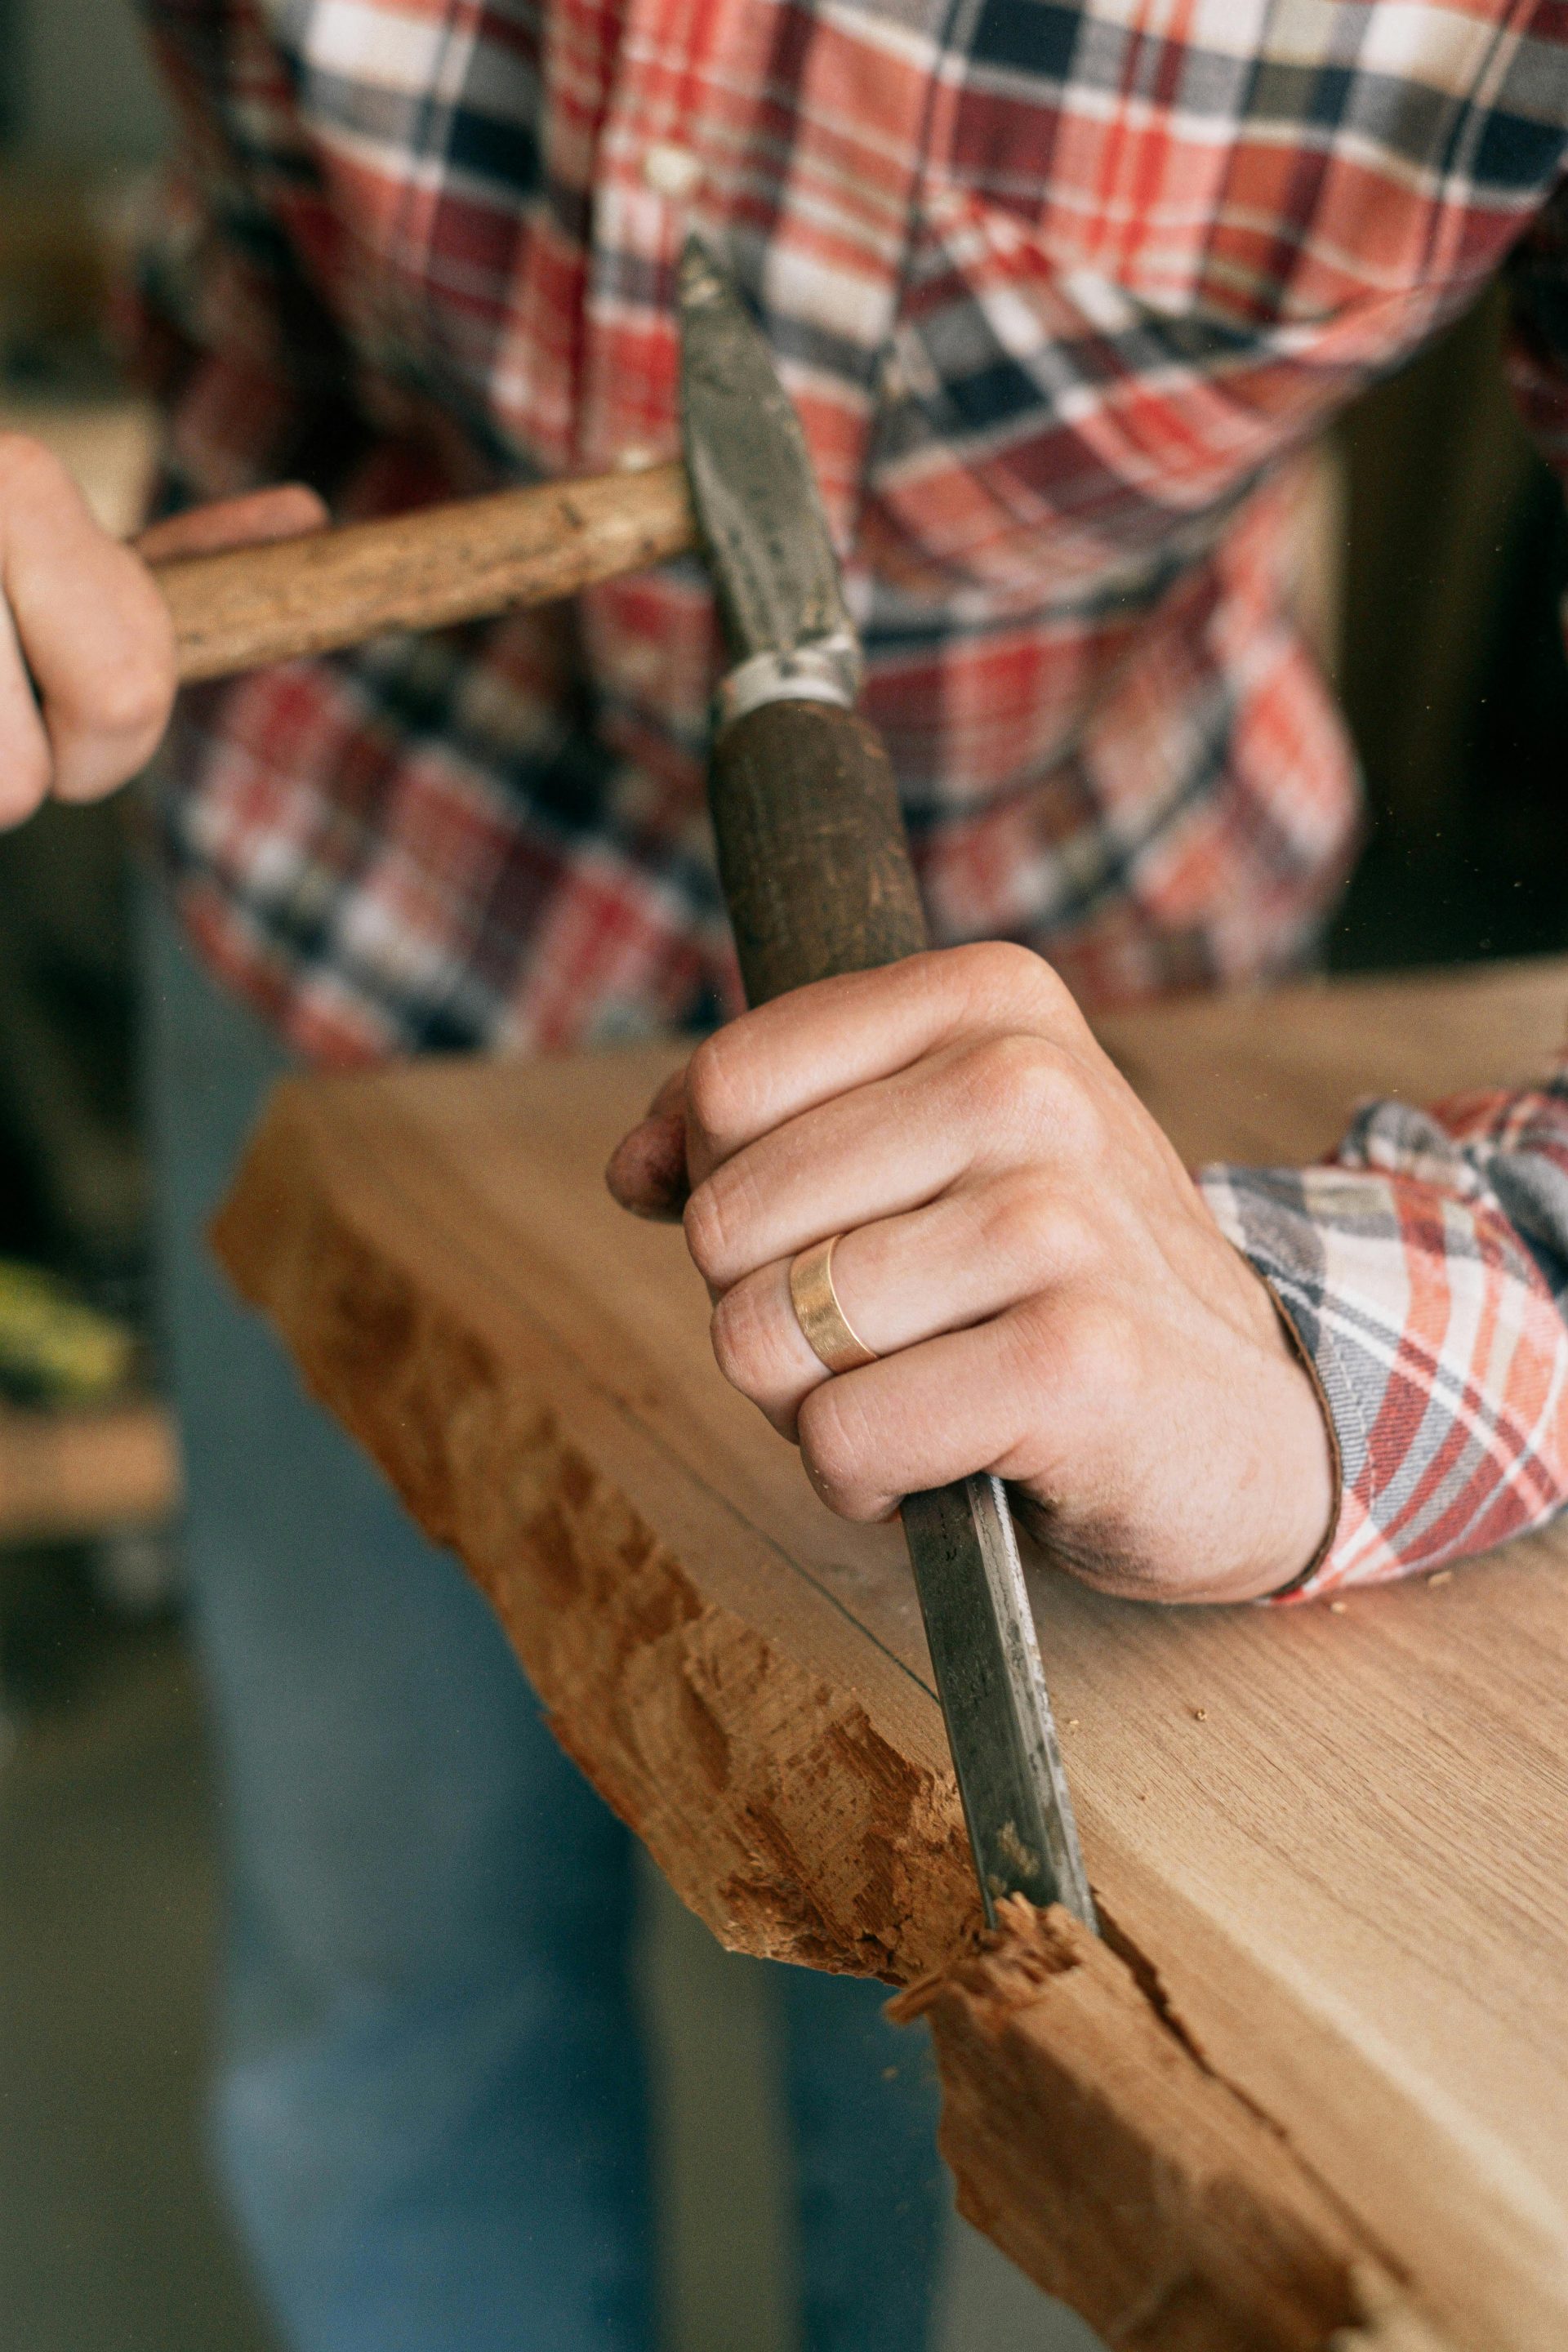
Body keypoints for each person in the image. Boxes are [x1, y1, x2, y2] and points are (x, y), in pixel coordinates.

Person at [3, 2, 1568, 2345]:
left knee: (977, 2103)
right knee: (383, 1993)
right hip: (342, 891)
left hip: (1111, 1043)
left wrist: (1356, 1343)